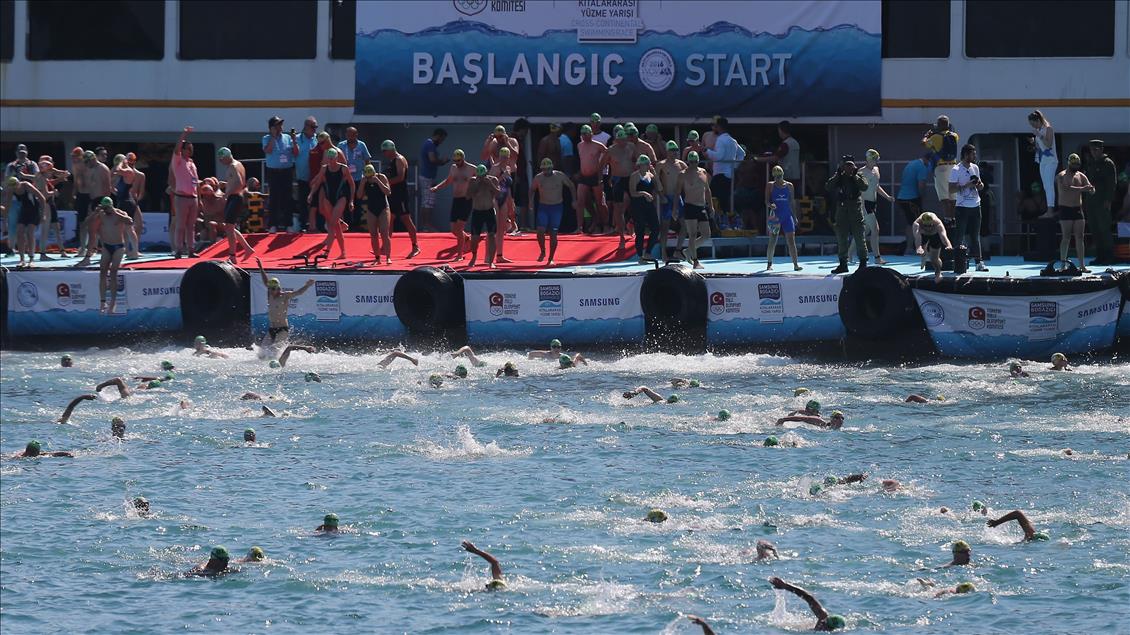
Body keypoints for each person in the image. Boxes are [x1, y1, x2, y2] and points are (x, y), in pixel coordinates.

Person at [256, 258, 314, 354]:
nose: (271, 290)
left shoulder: (285, 296)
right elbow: (266, 282)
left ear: (278, 288)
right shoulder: (270, 295)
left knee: (274, 352)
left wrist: (307, 285)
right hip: (271, 329)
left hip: (282, 330)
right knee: (262, 353)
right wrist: (261, 268)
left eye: (273, 289)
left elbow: (299, 292)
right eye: (270, 289)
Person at [87, 198, 135, 313]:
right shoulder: (101, 215)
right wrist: (95, 212)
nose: (106, 210)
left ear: (112, 206)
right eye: (105, 208)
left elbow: (130, 221)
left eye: (108, 208)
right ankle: (103, 302)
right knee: (102, 272)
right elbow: (86, 223)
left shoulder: (119, 213)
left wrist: (115, 212)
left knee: (113, 272)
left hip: (119, 247)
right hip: (107, 247)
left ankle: (113, 302)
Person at [307, 148, 356, 260]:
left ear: (336, 158)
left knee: (332, 225)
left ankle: (327, 251)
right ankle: (343, 252)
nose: (331, 161)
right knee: (336, 227)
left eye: (333, 158)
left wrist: (351, 200)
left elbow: (352, 185)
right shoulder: (324, 169)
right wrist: (311, 194)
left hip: (341, 198)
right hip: (328, 198)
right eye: (329, 158)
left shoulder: (343, 168)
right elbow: (318, 183)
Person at [949, 143, 989, 272]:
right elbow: (951, 189)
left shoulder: (975, 167)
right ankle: (958, 262)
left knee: (975, 235)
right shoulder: (956, 169)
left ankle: (979, 262)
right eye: (972, 154)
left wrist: (979, 185)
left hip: (976, 205)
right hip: (962, 206)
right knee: (960, 235)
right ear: (966, 155)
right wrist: (967, 185)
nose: (974, 156)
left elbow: (981, 186)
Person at [430, 148, 476, 261]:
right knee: (454, 230)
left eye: (459, 160)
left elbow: (482, 180)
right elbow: (448, 181)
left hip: (466, 201)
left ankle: (459, 255)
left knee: (459, 229)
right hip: (456, 201)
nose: (457, 163)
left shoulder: (472, 169)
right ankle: (466, 238)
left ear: (463, 159)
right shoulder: (453, 168)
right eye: (455, 161)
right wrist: (437, 187)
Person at [826, 156, 868, 273]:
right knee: (841, 238)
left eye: (850, 165)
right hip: (842, 210)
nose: (848, 168)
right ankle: (843, 264)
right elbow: (828, 186)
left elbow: (864, 186)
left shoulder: (858, 176)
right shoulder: (839, 176)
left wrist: (854, 176)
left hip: (855, 209)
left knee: (859, 237)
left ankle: (863, 263)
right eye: (846, 165)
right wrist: (838, 174)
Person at [851, 149, 894, 265]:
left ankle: (849, 254)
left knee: (864, 231)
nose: (876, 162)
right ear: (868, 160)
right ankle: (877, 258)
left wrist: (887, 197)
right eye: (874, 159)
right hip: (864, 204)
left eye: (877, 160)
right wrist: (863, 207)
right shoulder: (861, 172)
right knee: (876, 229)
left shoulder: (876, 170)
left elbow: (876, 186)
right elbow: (858, 192)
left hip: (873, 204)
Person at [531, 158, 577, 265]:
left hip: (556, 207)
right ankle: (543, 250)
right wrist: (530, 201)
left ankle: (551, 258)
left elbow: (571, 186)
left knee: (553, 233)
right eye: (544, 170)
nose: (546, 172)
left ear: (552, 168)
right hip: (543, 207)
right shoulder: (538, 178)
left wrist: (574, 200)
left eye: (548, 169)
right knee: (540, 232)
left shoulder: (559, 176)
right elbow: (532, 190)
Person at [1055, 154, 1096, 272]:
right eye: (1073, 164)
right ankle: (1063, 265)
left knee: (1080, 237)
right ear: (1069, 163)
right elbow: (1066, 189)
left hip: (1078, 209)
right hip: (1065, 209)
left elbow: (1090, 187)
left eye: (1077, 164)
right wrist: (1084, 189)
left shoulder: (1081, 175)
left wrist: (1091, 189)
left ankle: (1082, 265)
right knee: (1066, 237)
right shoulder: (1062, 176)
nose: (1075, 167)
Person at [216, 147, 256, 263]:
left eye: (221, 159)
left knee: (229, 227)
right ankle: (248, 249)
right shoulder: (238, 164)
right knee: (230, 226)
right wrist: (227, 184)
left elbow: (239, 183)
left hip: (235, 197)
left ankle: (233, 256)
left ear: (226, 157)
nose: (221, 162)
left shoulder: (233, 166)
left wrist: (226, 193)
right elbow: (236, 181)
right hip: (236, 197)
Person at [769, 577, 847, 631]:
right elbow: (809, 597)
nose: (822, 622)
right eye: (824, 620)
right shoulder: (823, 616)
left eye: (824, 623)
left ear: (829, 628)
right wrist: (785, 585)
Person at [677, 152, 714, 269]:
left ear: (698, 161)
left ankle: (688, 251)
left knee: (706, 235)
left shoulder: (703, 172)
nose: (693, 164)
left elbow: (707, 190)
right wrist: (675, 209)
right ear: (688, 162)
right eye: (691, 162)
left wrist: (711, 206)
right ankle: (695, 261)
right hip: (689, 206)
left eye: (695, 161)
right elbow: (677, 193)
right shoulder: (683, 174)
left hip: (701, 206)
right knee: (692, 234)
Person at [262, 115, 298, 233]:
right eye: (278, 125)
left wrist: (294, 140)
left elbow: (295, 152)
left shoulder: (287, 137)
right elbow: (268, 150)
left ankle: (289, 224)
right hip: (273, 172)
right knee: (274, 198)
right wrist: (273, 136)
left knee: (288, 198)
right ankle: (273, 224)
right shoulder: (266, 138)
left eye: (281, 124)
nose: (280, 127)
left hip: (286, 171)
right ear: (272, 127)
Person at [1084, 140, 1118, 265]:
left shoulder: (1107, 163)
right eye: (1092, 150)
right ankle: (1100, 256)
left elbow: (1112, 184)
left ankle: (1109, 256)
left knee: (1104, 229)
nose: (1094, 152)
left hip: (1102, 201)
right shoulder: (1091, 163)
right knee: (1095, 229)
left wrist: (1108, 200)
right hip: (1091, 202)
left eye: (1096, 150)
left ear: (1101, 149)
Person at [169, 126, 200, 257]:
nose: (191, 149)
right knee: (180, 225)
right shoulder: (178, 161)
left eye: (191, 147)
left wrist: (199, 199)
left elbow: (196, 181)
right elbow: (176, 149)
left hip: (193, 198)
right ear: (183, 150)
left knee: (191, 226)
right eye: (188, 147)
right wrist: (184, 134)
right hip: (181, 197)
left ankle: (191, 249)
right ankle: (179, 250)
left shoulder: (192, 163)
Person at [923, 115, 960, 220]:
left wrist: (927, 136)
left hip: (941, 167)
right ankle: (953, 219)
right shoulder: (955, 136)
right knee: (953, 197)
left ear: (939, 125)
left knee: (944, 198)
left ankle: (947, 219)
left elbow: (924, 144)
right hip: (953, 167)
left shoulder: (935, 137)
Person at [705, 116, 743, 217]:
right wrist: (734, 166)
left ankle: (720, 223)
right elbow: (742, 154)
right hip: (730, 176)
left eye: (715, 126)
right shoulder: (733, 141)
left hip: (720, 176)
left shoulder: (721, 140)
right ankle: (726, 223)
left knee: (713, 199)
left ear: (719, 127)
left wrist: (706, 151)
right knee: (726, 201)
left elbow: (719, 156)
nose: (714, 128)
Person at [574, 124, 609, 235]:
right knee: (581, 201)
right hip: (584, 176)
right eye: (582, 134)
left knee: (600, 202)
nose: (584, 136)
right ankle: (579, 227)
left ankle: (606, 225)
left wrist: (601, 167)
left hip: (595, 176)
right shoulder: (580, 145)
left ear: (591, 134)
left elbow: (608, 154)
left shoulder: (598, 145)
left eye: (586, 133)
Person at [7, 177, 48, 268]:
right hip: (24, 210)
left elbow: (42, 198)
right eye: (13, 187)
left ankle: (31, 259)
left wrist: (43, 214)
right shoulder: (11, 190)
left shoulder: (26, 185)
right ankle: (22, 259)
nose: (15, 188)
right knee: (19, 233)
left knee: (30, 233)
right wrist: (6, 218)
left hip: (34, 210)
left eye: (16, 186)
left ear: (18, 183)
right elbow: (8, 204)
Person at [766, 165, 801, 271]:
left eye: (780, 176)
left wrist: (794, 216)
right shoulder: (770, 185)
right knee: (773, 240)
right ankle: (769, 264)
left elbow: (791, 202)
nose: (778, 179)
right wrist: (770, 205)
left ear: (783, 175)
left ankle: (795, 264)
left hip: (787, 215)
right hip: (775, 216)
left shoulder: (789, 186)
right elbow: (766, 201)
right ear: (773, 176)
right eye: (776, 177)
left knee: (791, 240)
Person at [464, 164, 500, 268]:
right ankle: (474, 256)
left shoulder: (493, 180)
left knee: (492, 236)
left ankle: (491, 261)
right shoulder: (472, 181)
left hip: (489, 211)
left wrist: (490, 185)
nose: (481, 178)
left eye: (483, 176)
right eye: (480, 176)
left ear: (486, 174)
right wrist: (476, 185)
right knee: (474, 238)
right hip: (477, 212)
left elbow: (498, 194)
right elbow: (467, 196)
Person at [34, 158, 70, 261]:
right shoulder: (41, 178)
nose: (51, 173)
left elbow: (58, 173)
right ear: (46, 170)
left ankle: (62, 251)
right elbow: (44, 194)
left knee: (56, 228)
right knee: (45, 229)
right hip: (46, 204)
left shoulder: (43, 177)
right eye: (50, 171)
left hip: (50, 203)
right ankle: (42, 253)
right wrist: (54, 193)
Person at [356, 164, 393, 264]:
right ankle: (377, 258)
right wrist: (362, 183)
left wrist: (378, 181)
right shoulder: (365, 181)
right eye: (368, 177)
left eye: (371, 177)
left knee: (384, 233)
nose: (370, 179)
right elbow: (359, 195)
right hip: (371, 209)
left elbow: (388, 192)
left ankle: (388, 257)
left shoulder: (381, 177)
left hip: (383, 208)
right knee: (373, 235)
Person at [657, 142, 687, 260]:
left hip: (678, 198)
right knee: (665, 226)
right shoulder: (661, 165)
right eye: (672, 150)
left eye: (676, 150)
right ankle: (663, 253)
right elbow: (655, 180)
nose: (674, 152)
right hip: (667, 198)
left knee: (685, 225)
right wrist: (660, 195)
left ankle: (678, 250)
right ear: (667, 151)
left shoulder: (682, 165)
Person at [898, 152, 933, 255]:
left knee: (910, 223)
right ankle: (915, 248)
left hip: (902, 197)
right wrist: (923, 197)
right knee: (918, 223)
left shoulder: (912, 163)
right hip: (912, 199)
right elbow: (921, 185)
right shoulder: (922, 167)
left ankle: (910, 247)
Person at [628, 155, 659, 263]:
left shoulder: (651, 175)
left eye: (648, 164)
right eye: (645, 164)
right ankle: (640, 256)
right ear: (639, 165)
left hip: (649, 205)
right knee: (640, 230)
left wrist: (655, 174)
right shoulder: (635, 176)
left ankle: (648, 252)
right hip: (638, 205)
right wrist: (644, 193)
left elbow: (659, 188)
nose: (647, 166)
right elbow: (632, 193)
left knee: (656, 228)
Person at [418, 128, 448, 231]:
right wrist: (442, 161)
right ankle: (426, 225)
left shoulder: (429, 144)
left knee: (427, 201)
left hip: (427, 176)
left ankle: (425, 225)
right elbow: (432, 159)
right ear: (438, 136)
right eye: (442, 139)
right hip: (427, 177)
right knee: (428, 201)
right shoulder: (430, 144)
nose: (441, 142)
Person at [1027, 110, 1058, 210]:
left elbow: (1048, 144)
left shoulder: (1048, 129)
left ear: (1038, 120)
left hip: (1051, 160)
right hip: (1043, 160)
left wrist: (1039, 135)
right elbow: (1039, 148)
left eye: (1033, 123)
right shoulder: (1038, 131)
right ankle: (1049, 206)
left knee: (1049, 185)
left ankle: (1051, 209)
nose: (1033, 126)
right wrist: (1033, 143)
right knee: (1045, 186)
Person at [913, 212, 953, 282]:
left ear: (933, 223)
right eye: (926, 226)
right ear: (922, 223)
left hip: (935, 235)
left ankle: (938, 272)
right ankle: (924, 254)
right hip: (923, 235)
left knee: (934, 259)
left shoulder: (938, 224)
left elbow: (943, 236)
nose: (928, 228)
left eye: (930, 225)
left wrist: (948, 245)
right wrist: (918, 247)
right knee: (921, 250)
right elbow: (917, 237)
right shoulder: (917, 224)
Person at [295, 116, 319, 231]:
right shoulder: (297, 139)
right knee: (303, 201)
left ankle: (317, 224)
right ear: (306, 127)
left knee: (316, 201)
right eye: (313, 127)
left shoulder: (317, 139)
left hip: (315, 177)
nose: (315, 129)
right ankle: (303, 224)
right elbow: (293, 153)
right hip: (303, 176)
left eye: (316, 127)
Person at [776, 410, 844, 430]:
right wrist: (784, 419)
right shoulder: (820, 422)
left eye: (842, 418)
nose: (840, 420)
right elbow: (801, 419)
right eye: (837, 418)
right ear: (832, 419)